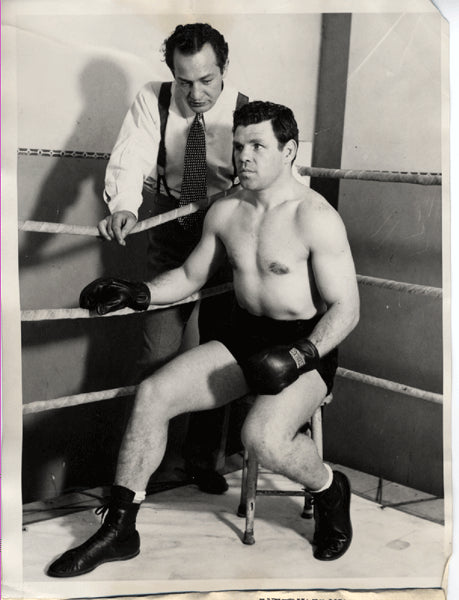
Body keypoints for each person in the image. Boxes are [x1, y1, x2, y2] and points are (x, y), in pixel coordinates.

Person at [47, 101, 360, 578]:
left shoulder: (314, 217)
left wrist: (302, 354)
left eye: (258, 146)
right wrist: (139, 293)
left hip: (305, 346)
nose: (244, 158)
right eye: (238, 147)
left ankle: (329, 489)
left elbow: (347, 308)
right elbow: (191, 276)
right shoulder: (227, 209)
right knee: (154, 394)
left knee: (260, 437)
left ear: (289, 150)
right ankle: (120, 530)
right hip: (243, 336)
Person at [99, 23, 249, 494]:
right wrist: (124, 204)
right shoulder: (153, 98)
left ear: (223, 69)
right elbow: (133, 154)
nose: (196, 92)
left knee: (222, 354)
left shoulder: (247, 111)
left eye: (206, 80)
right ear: (172, 73)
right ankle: (147, 474)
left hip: (226, 234)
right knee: (157, 353)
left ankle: (205, 462)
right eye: (185, 81)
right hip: (169, 231)